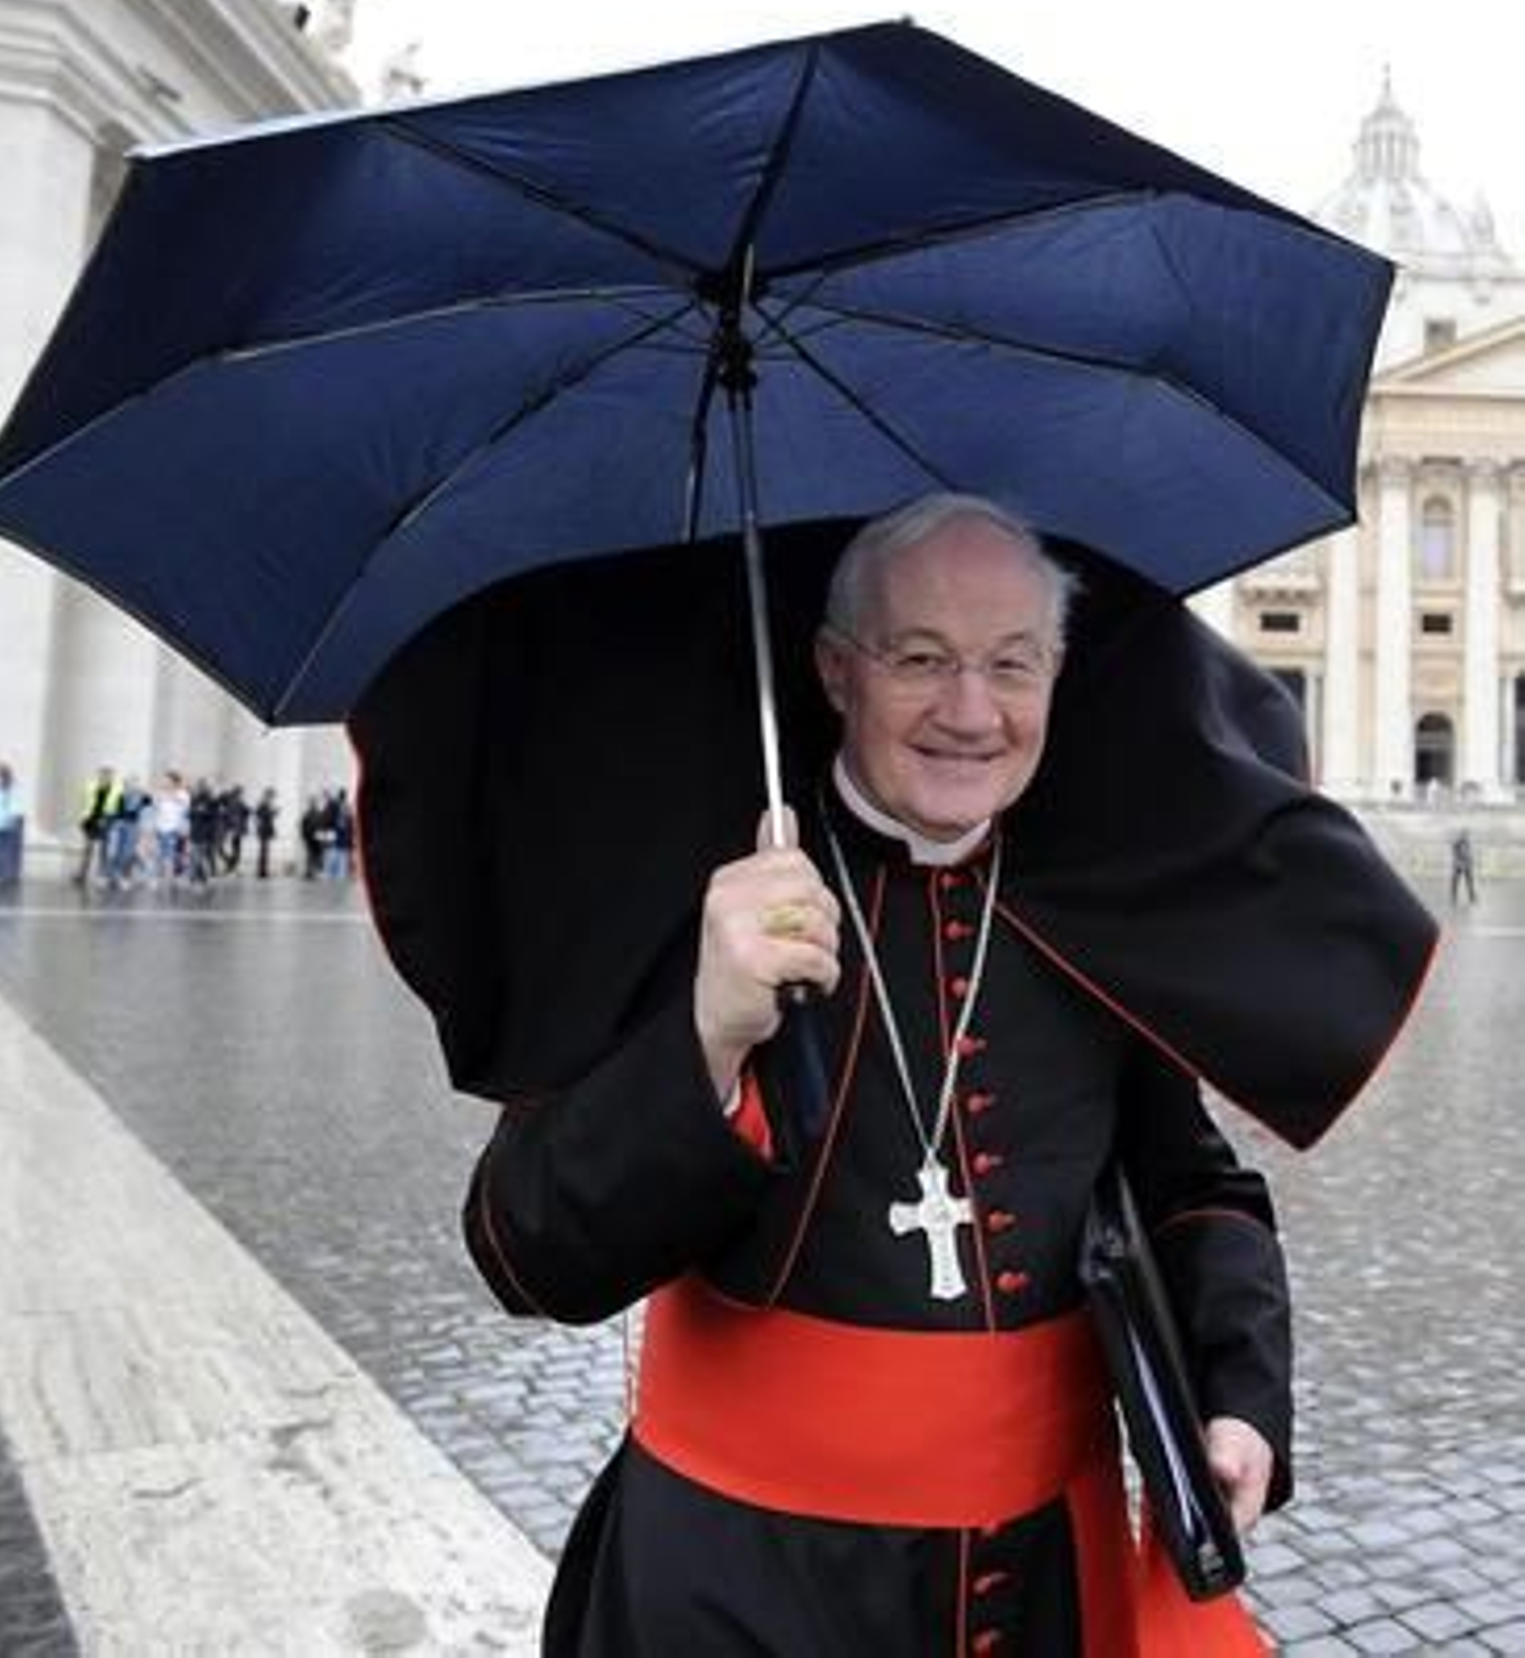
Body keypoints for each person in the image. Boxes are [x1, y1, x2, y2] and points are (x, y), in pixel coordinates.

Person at [461, 496, 1294, 1655]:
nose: (970, 710)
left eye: (1013, 663)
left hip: (1040, 1583)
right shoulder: (701, 899)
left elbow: (1192, 1188)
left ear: (1058, 676)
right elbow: (524, 1247)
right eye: (920, 659)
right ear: (835, 669)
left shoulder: (1101, 908)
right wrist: (703, 1034)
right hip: (738, 1584)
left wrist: (1237, 1394)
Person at [73, 766, 122, 886]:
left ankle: (102, 875)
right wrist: (81, 818)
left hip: (106, 820)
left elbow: (118, 807)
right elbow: (83, 802)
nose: (105, 777)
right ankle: (81, 874)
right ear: (99, 775)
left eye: (108, 775)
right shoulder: (90, 786)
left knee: (104, 850)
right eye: (103, 774)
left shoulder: (116, 789)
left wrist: (109, 817)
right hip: (90, 820)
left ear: (112, 777)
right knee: (87, 848)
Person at [1450, 828, 1478, 905]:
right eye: (1465, 834)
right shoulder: (1457, 843)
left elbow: (1469, 854)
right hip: (1459, 865)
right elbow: (1457, 854)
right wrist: (1463, 859)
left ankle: (1472, 897)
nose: (1466, 836)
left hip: (1465, 865)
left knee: (1469, 882)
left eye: (1466, 835)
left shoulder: (1467, 843)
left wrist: (1470, 861)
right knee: (1457, 882)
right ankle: (1454, 897)